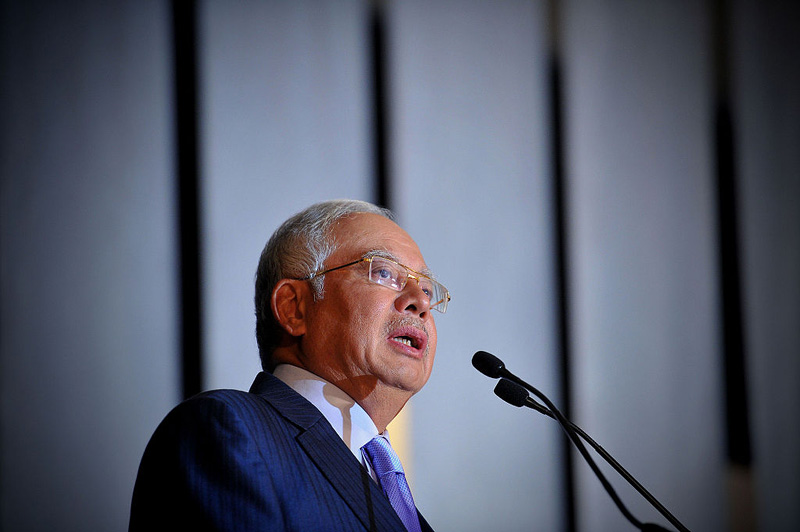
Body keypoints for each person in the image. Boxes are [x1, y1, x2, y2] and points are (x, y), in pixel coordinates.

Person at [129, 199, 450, 532]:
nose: (421, 302)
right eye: (384, 272)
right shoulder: (226, 432)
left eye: (427, 289)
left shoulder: (397, 499)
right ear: (293, 308)